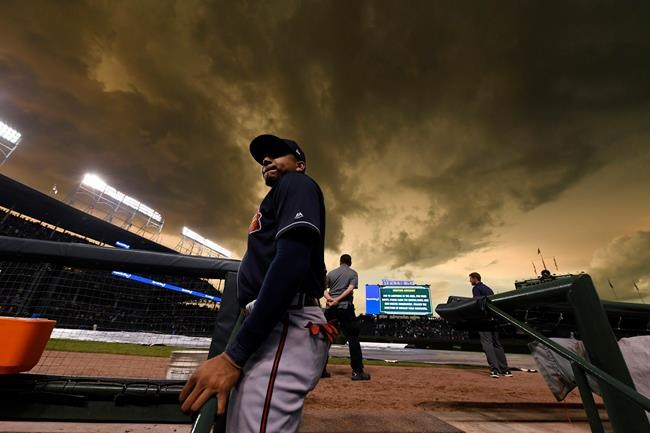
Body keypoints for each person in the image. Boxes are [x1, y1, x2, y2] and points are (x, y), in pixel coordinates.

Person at [179, 134, 332, 433]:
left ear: (300, 165)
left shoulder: (297, 184)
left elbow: (291, 262)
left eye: (277, 154)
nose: (266, 160)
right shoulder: (278, 195)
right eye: (264, 157)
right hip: (273, 323)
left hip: (287, 320)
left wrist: (234, 357)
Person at [322, 254, 370, 380]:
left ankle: (320, 370)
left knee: (325, 339)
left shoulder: (331, 273)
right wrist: (337, 300)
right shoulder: (353, 273)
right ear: (350, 262)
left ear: (340, 262)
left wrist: (330, 299)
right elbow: (350, 289)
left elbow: (322, 289)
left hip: (330, 309)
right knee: (353, 338)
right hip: (345, 308)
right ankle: (357, 371)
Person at [469, 272, 512, 378]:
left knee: (487, 345)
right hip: (494, 320)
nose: (470, 281)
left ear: (475, 278)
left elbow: (478, 305)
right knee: (497, 344)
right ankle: (505, 370)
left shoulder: (476, 289)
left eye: (471, 279)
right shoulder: (488, 289)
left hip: (484, 320)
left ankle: (495, 370)